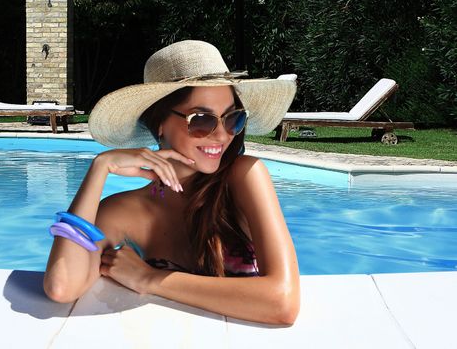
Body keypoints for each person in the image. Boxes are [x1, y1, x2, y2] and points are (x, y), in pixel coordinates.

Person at [44, 40, 300, 325]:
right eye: (202, 120)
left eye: (232, 119)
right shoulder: (122, 212)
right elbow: (61, 286)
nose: (221, 135)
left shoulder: (244, 176)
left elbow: (283, 302)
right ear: (160, 124)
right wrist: (99, 168)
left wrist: (150, 278)